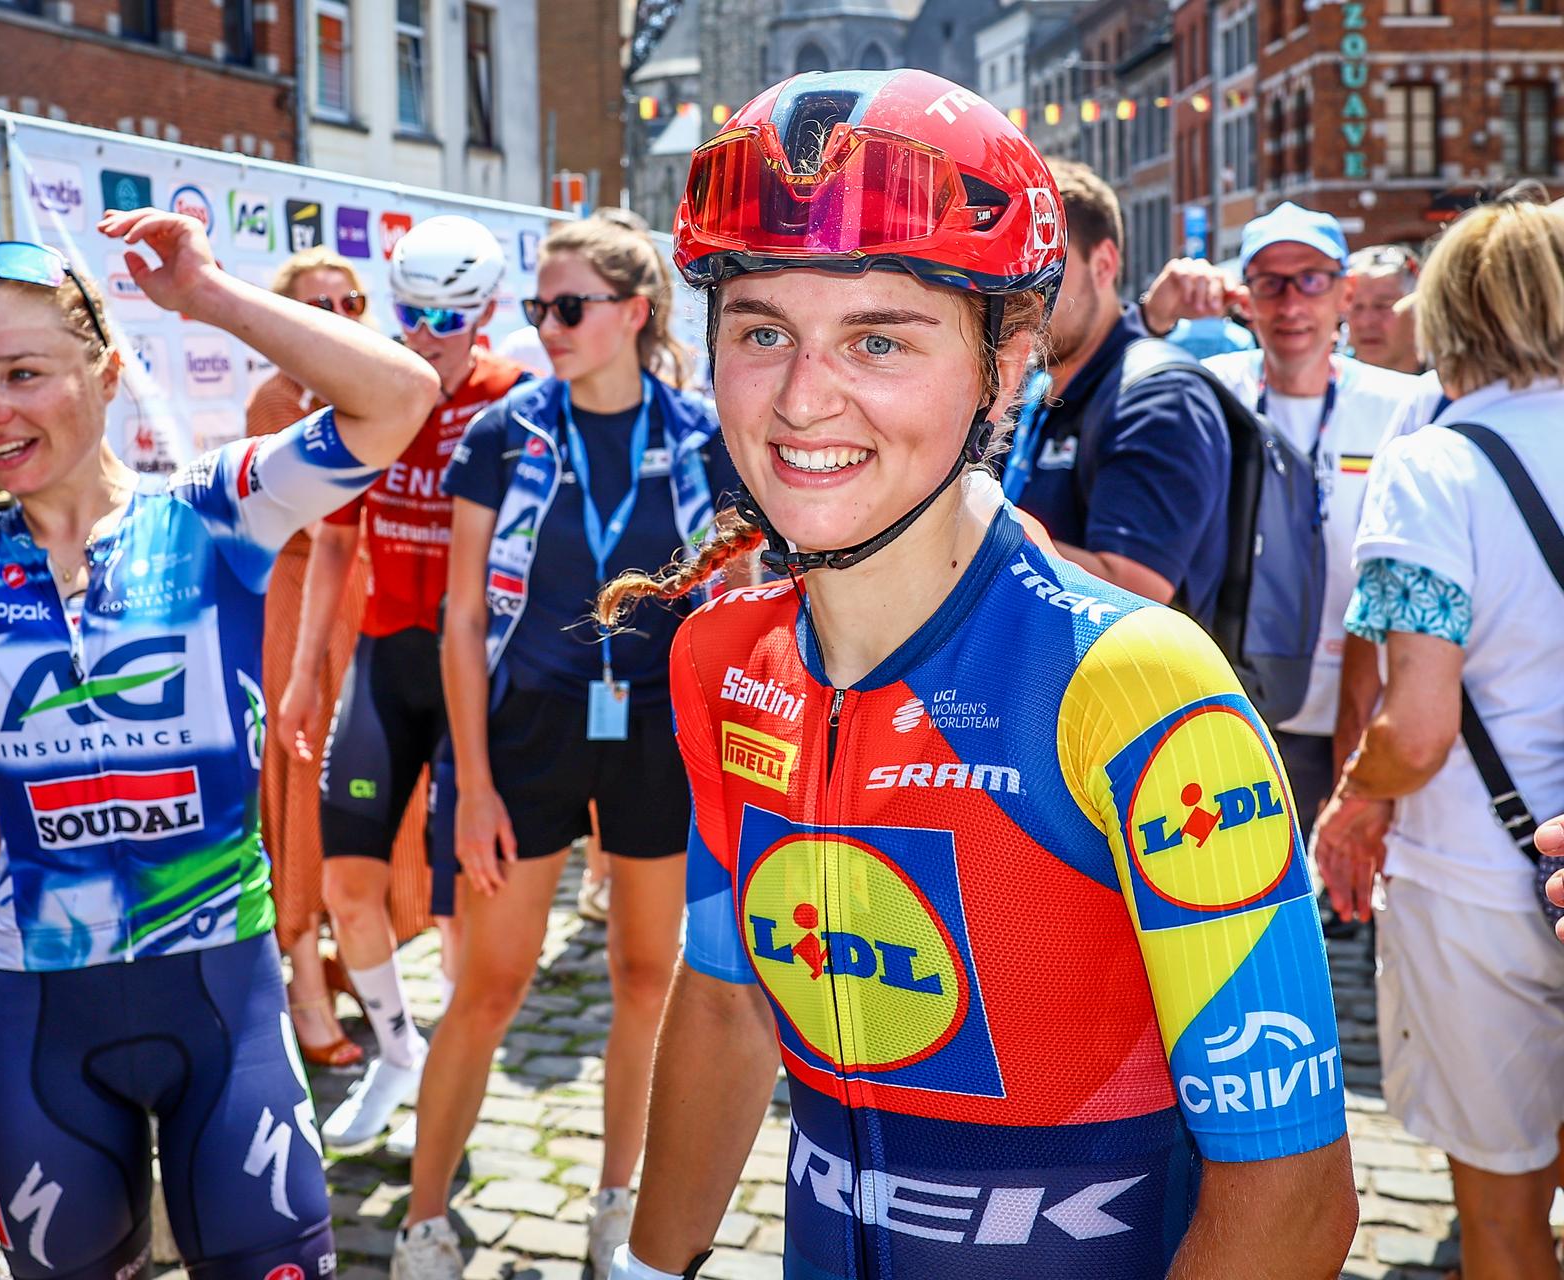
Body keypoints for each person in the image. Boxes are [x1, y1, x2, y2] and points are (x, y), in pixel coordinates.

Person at [600, 69, 1356, 1280]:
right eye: (760, 330)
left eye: (880, 336)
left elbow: (1294, 1201)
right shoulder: (723, 655)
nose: (802, 397)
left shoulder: (1134, 686)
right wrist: (646, 1268)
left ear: (1006, 366)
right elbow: (729, 1002)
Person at [0, 210, 439, 1279]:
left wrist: (209, 299)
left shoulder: (217, 512)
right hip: (42, 1013)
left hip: (222, 996)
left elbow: (401, 395)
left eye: (25, 376)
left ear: (106, 370)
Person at [389, 215, 741, 1280]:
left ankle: (615, 1200)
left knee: (646, 978)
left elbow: (737, 599)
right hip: (529, 727)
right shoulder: (503, 430)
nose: (549, 325)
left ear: (635, 312)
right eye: (540, 307)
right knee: (489, 987)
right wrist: (471, 786)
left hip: (654, 733)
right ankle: (424, 1220)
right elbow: (460, 622)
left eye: (570, 306)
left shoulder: (698, 435)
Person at [1313, 198, 1564, 1280]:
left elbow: (1416, 724)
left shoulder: (1433, 465)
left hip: (1479, 876)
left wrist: (1354, 802)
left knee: (1503, 1218)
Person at [273, 215, 528, 1150]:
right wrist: (307, 673)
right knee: (348, 886)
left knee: (468, 905)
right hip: (384, 664)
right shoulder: (373, 392)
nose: (422, 333)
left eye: (444, 318)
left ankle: (460, 1074)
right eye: (408, 311)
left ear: (487, 312)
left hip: (478, 679)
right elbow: (336, 540)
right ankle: (397, 1050)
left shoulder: (517, 401)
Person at [1144, 204, 1422, 834]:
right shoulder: (1205, 390)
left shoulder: (1404, 405)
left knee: (1359, 909)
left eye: (1312, 279)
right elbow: (1102, 393)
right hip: (1235, 701)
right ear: (1245, 296)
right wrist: (1154, 317)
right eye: (1270, 282)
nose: (1291, 303)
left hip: (1365, 706)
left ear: (1345, 292)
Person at [247, 243, 420, 1073]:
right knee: (307, 794)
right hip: (304, 617)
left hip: (373, 609)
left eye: (349, 304)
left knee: (370, 792)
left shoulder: (382, 391)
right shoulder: (275, 401)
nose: (337, 320)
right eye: (315, 307)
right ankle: (303, 983)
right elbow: (318, 524)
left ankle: (353, 957)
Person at [1002, 160, 1232, 617]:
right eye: (1009, 271)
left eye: (1044, 273)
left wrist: (960, 534)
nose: (1020, 295)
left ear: (1103, 264)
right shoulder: (1043, 384)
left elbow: (1132, 589)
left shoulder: (1162, 399)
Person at [1344, 245, 1422, 376]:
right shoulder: (1326, 387)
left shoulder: (1453, 388)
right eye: (1357, 307)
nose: (1366, 322)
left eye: (1382, 306)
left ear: (1418, 313)